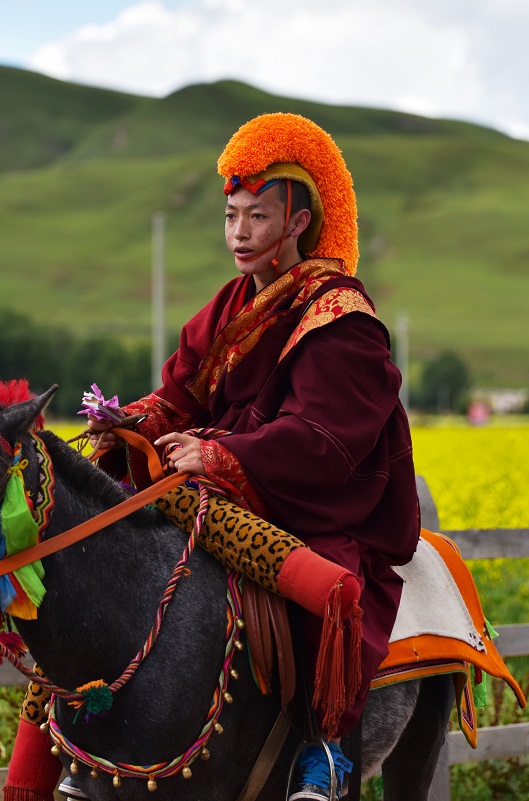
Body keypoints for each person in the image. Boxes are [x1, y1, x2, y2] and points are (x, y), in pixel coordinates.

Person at [72, 112, 422, 801]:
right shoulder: (235, 299)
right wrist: (130, 423)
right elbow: (182, 389)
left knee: (324, 589)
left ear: (297, 223)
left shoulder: (339, 314)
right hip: (218, 477)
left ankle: (325, 747)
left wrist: (219, 452)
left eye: (256, 217)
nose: (238, 233)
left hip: (312, 495)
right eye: (231, 215)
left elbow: (325, 438)